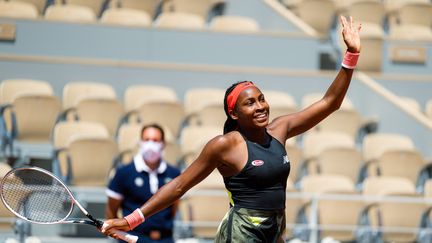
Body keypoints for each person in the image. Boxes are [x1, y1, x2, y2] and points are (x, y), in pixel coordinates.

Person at [102, 15, 361, 242]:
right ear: (234, 113)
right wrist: (132, 220)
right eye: (250, 103)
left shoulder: (279, 130)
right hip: (241, 233)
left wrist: (351, 56)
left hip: (275, 228)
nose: (260, 106)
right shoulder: (225, 145)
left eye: (261, 98)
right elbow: (180, 185)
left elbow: (330, 103)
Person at [105, 123, 181, 243]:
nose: (151, 144)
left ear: (163, 144)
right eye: (147, 140)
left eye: (155, 140)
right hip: (133, 238)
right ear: (140, 142)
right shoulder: (124, 173)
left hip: (165, 238)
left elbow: (174, 207)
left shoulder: (173, 173)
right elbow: (111, 209)